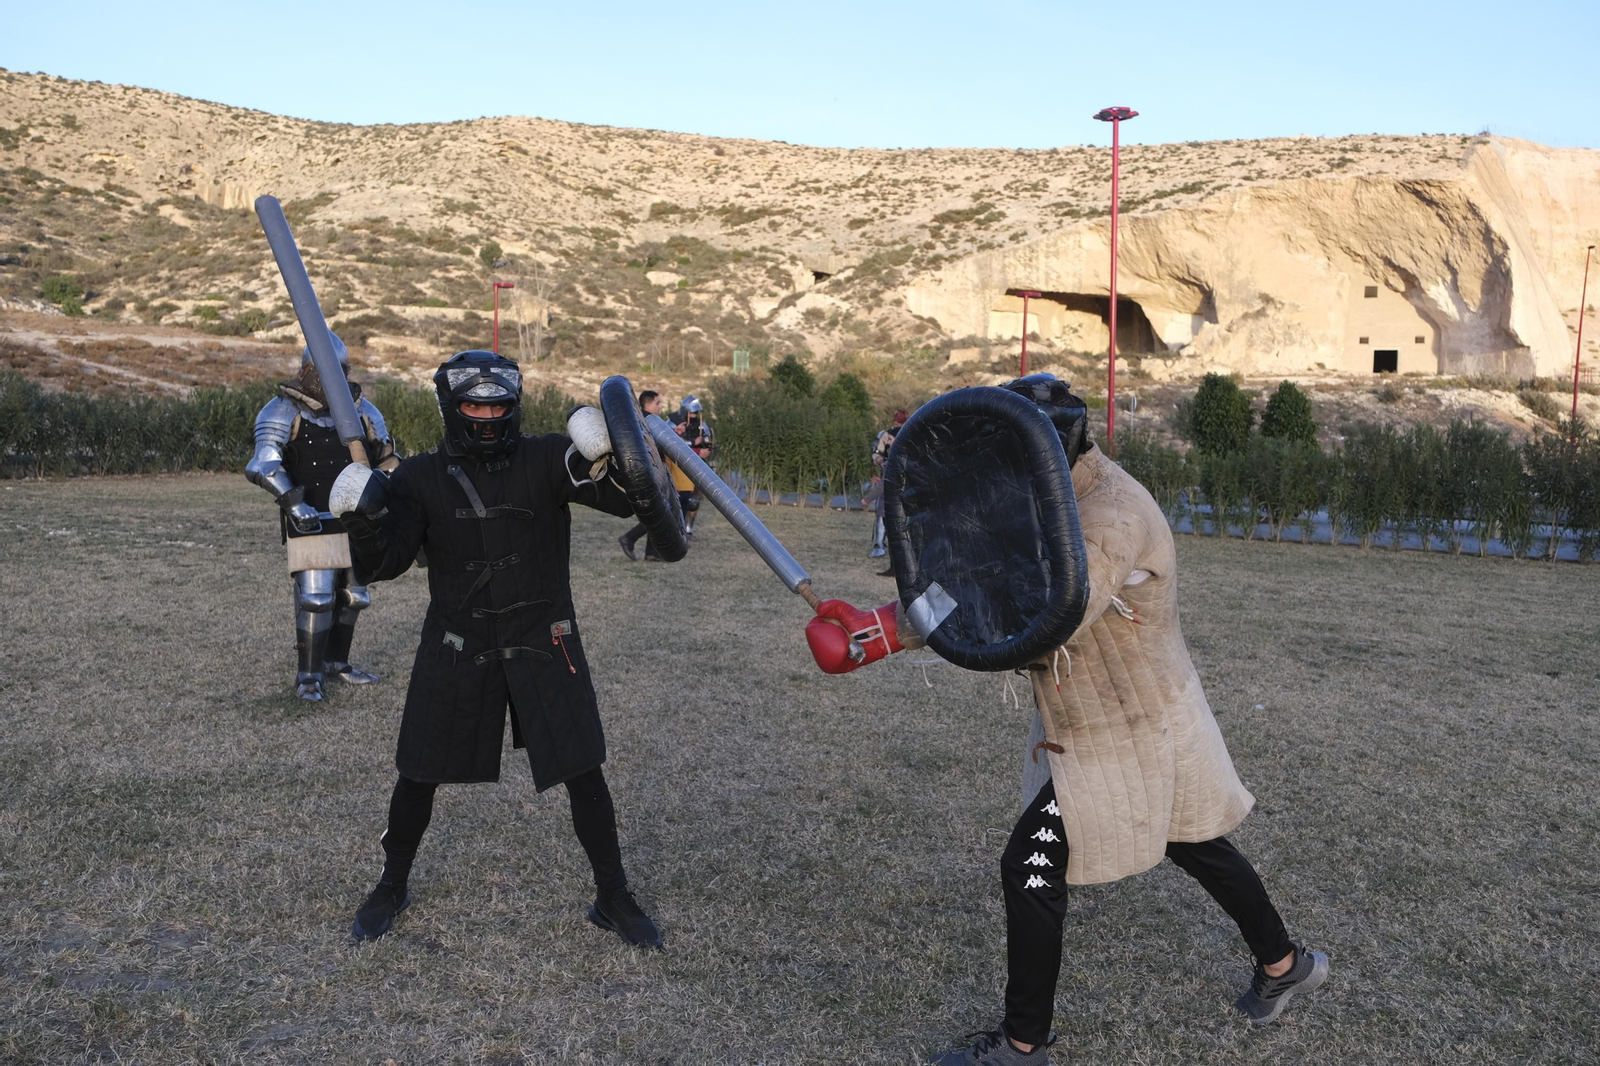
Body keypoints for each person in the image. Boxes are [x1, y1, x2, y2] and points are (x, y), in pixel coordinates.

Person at [811, 376, 1327, 1064]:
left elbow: (1038, 612)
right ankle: (1285, 964)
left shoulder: (1111, 517)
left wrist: (892, 630)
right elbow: (982, 566)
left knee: (1031, 864)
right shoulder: (1049, 494)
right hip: (1109, 717)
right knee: (1189, 840)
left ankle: (1022, 1046)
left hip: (1130, 731)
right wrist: (877, 631)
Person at [331, 350, 663, 949]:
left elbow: (625, 499)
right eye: (473, 404)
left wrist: (611, 454)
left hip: (545, 636)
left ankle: (613, 896)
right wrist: (367, 521)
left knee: (582, 769)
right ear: (451, 407)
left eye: (497, 404)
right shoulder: (418, 476)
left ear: (514, 405)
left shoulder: (546, 456)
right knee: (417, 773)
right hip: (458, 639)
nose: (486, 415)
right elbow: (383, 564)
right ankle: (391, 883)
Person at [244, 333, 398, 701]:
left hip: (356, 519)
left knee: (355, 596)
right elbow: (263, 464)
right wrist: (295, 504)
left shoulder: (363, 410)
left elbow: (387, 456)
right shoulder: (282, 409)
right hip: (311, 518)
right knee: (316, 598)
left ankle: (336, 663)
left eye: (340, 370)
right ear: (308, 370)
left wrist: (387, 488)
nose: (335, 378)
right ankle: (308, 676)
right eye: (327, 370)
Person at [618, 390, 667, 561]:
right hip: (652, 473)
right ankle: (629, 538)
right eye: (657, 403)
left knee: (657, 512)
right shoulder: (649, 421)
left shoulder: (639, 419)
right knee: (658, 514)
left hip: (650, 472)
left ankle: (651, 552)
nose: (660, 407)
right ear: (648, 404)